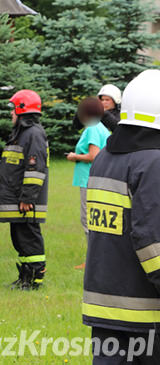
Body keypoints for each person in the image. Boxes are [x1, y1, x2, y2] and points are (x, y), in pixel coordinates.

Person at [83, 70, 160, 362]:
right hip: (146, 310)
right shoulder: (153, 162)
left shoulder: (105, 156)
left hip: (104, 304)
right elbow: (152, 241)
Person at [0, 90, 49, 290]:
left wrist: (28, 197)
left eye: (13, 110)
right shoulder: (21, 133)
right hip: (17, 198)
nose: (11, 115)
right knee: (20, 239)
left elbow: (35, 168)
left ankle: (34, 279)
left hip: (26, 201)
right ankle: (25, 276)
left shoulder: (33, 134)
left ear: (22, 110)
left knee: (29, 239)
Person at [67, 97, 110, 266]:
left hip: (89, 180)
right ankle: (101, 258)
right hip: (97, 178)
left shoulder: (92, 128)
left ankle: (93, 261)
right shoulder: (101, 128)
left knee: (88, 220)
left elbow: (94, 155)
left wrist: (74, 156)